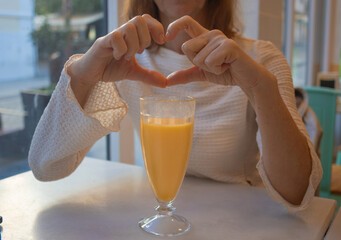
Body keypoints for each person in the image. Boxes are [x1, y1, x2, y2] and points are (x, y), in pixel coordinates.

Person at [28, 0, 322, 212]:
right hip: (160, 217)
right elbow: (46, 165)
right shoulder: (127, 61)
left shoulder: (260, 60)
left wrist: (261, 89)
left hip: (239, 222)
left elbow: (298, 193)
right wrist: (82, 75)